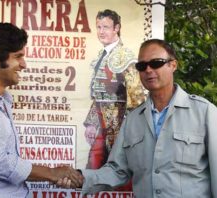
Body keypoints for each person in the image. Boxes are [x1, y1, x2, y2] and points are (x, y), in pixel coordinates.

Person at [0, 23, 83, 197]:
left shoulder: (1, 101)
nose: (24, 65)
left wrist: (59, 173)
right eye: (18, 56)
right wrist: (53, 173)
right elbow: (2, 164)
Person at [78, 39, 217, 197]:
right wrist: (79, 177)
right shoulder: (132, 120)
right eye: (142, 66)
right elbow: (117, 171)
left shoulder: (204, 112)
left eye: (156, 63)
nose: (148, 70)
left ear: (173, 65)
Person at [84, 9, 146, 171]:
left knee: (120, 171)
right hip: (102, 125)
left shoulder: (125, 56)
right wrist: (91, 124)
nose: (101, 32)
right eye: (98, 27)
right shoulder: (102, 56)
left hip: (120, 126)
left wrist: (130, 131)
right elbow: (99, 95)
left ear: (116, 28)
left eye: (105, 27)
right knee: (94, 169)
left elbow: (137, 98)